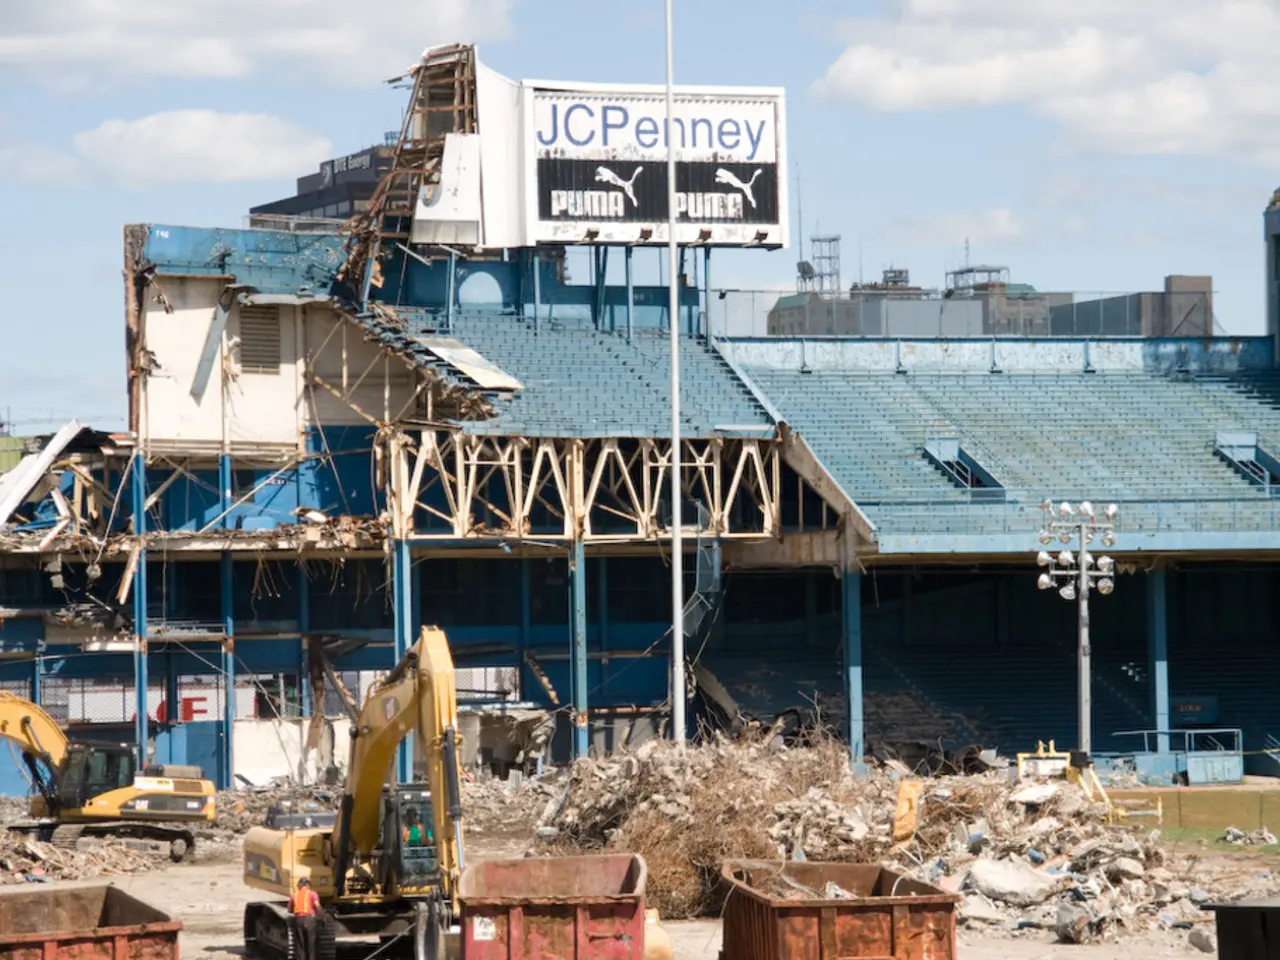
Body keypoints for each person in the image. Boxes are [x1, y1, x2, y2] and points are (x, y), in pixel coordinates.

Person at [289, 877, 321, 960]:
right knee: (311, 944)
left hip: (298, 920)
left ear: (299, 885)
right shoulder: (312, 894)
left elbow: (289, 910)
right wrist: (322, 916)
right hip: (309, 920)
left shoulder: (294, 895)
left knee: (300, 945)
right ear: (307, 885)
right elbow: (317, 906)